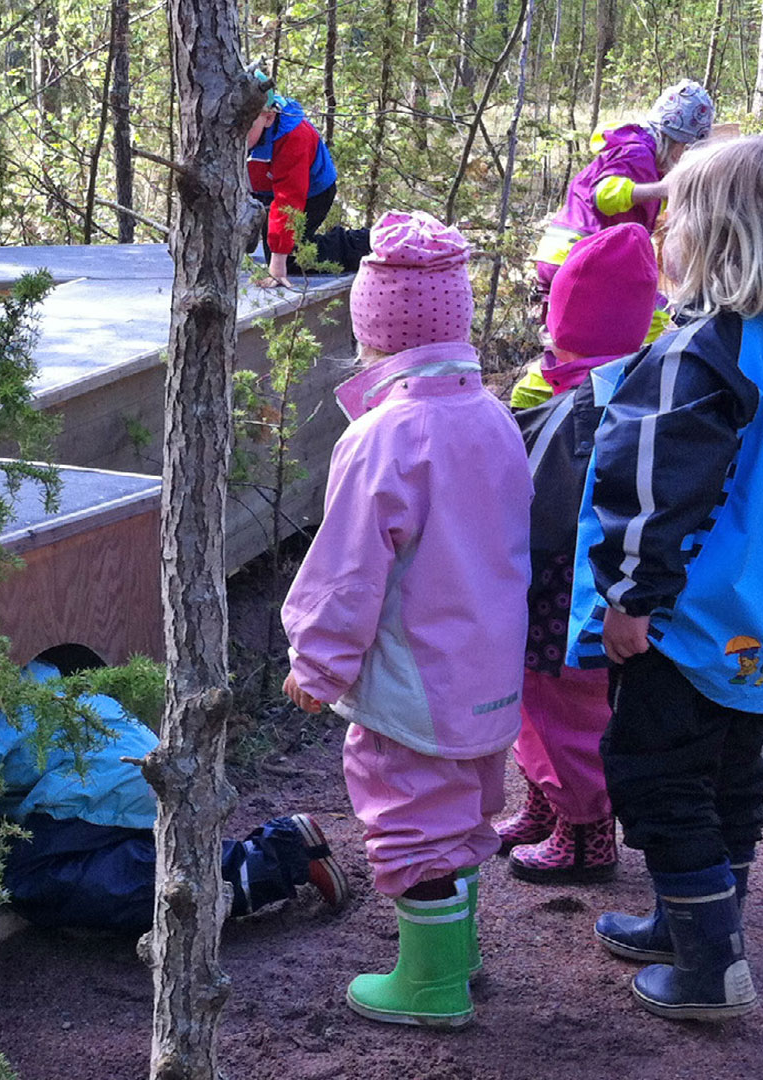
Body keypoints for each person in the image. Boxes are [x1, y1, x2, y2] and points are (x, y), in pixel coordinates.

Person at [566, 135, 763, 1021]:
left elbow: (650, 484)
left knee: (653, 770)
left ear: (710, 235)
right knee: (730, 772)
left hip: (683, 620)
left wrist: (627, 595)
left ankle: (709, 967)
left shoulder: (703, 352)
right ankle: (699, 921)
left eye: (675, 219)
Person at [280, 210, 531, 1028]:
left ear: (373, 332)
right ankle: (458, 956)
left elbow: (346, 569)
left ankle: (429, 988)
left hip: (415, 679)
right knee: (461, 814)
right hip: (490, 673)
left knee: (408, 818)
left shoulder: (386, 436)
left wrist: (317, 664)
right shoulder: (493, 416)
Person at [496, 222, 660, 884]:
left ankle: (587, 830)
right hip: (581, 586)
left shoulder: (586, 407)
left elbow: (540, 510)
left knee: (560, 704)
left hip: (563, 590)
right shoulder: (636, 385)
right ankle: (547, 799)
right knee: (540, 703)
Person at [0, 659, 348, 936]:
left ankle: (272, 860)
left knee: (27, 877)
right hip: (133, 768)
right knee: (118, 857)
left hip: (99, 788)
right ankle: (271, 853)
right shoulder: (32, 673)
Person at [530, 80, 715, 300]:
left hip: (575, 259)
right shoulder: (636, 153)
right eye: (685, 150)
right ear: (676, 144)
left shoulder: (650, 165)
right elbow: (603, 195)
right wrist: (663, 189)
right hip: (576, 259)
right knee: (642, 307)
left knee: (649, 303)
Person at [247, 89, 335, 287]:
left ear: (268, 118)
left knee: (292, 260)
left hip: (312, 194)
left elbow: (289, 200)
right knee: (274, 250)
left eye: (245, 126)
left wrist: (278, 264)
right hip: (263, 190)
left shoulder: (294, 136)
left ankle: (363, 242)